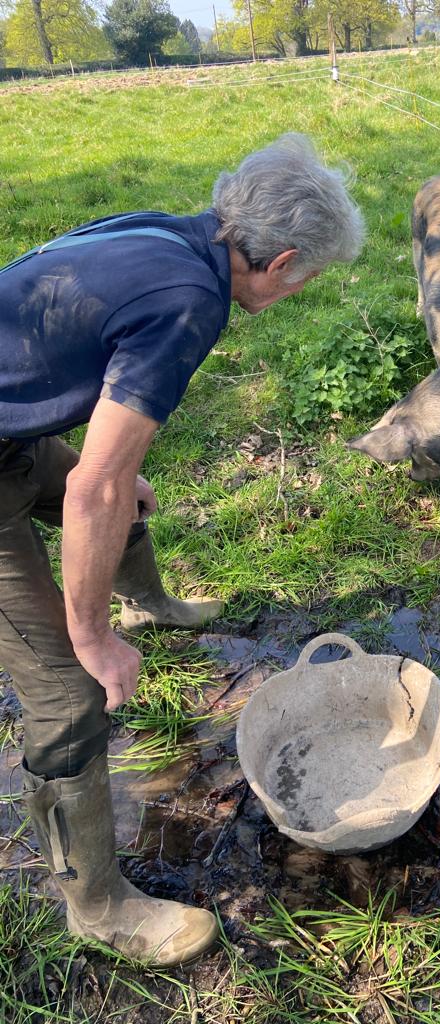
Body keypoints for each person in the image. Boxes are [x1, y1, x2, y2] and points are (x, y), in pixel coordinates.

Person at [0, 133, 364, 966]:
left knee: (121, 499)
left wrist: (111, 475)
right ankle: (97, 907)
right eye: (308, 277)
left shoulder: (170, 231)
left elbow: (87, 390)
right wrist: (90, 635)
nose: (302, 290)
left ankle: (150, 605)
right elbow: (91, 490)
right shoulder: (192, 302)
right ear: (282, 264)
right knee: (67, 689)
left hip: (9, 432)